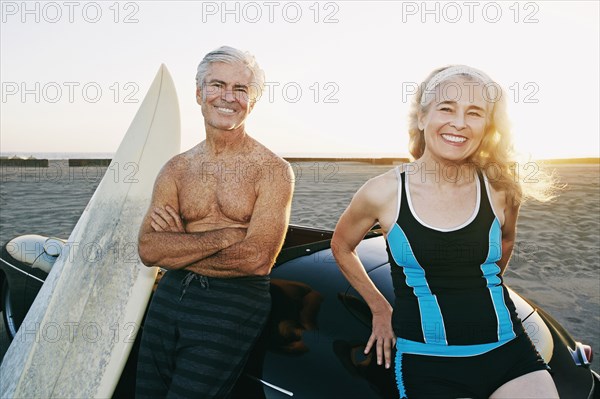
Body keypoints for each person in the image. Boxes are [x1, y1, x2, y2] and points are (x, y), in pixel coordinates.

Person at [331, 65, 560, 398]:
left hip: (509, 351)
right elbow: (342, 246)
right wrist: (380, 309)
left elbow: (506, 240)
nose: (459, 123)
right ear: (422, 118)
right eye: (447, 108)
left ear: (487, 127)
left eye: (475, 113)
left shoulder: (500, 188)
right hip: (429, 363)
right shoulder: (383, 192)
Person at [135, 46, 294, 398]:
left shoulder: (272, 171)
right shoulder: (176, 169)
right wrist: (227, 236)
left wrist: (177, 246)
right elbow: (148, 248)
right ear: (198, 93)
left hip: (232, 303)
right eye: (217, 85)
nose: (228, 97)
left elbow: (256, 259)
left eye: (241, 89)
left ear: (253, 101)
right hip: (170, 295)